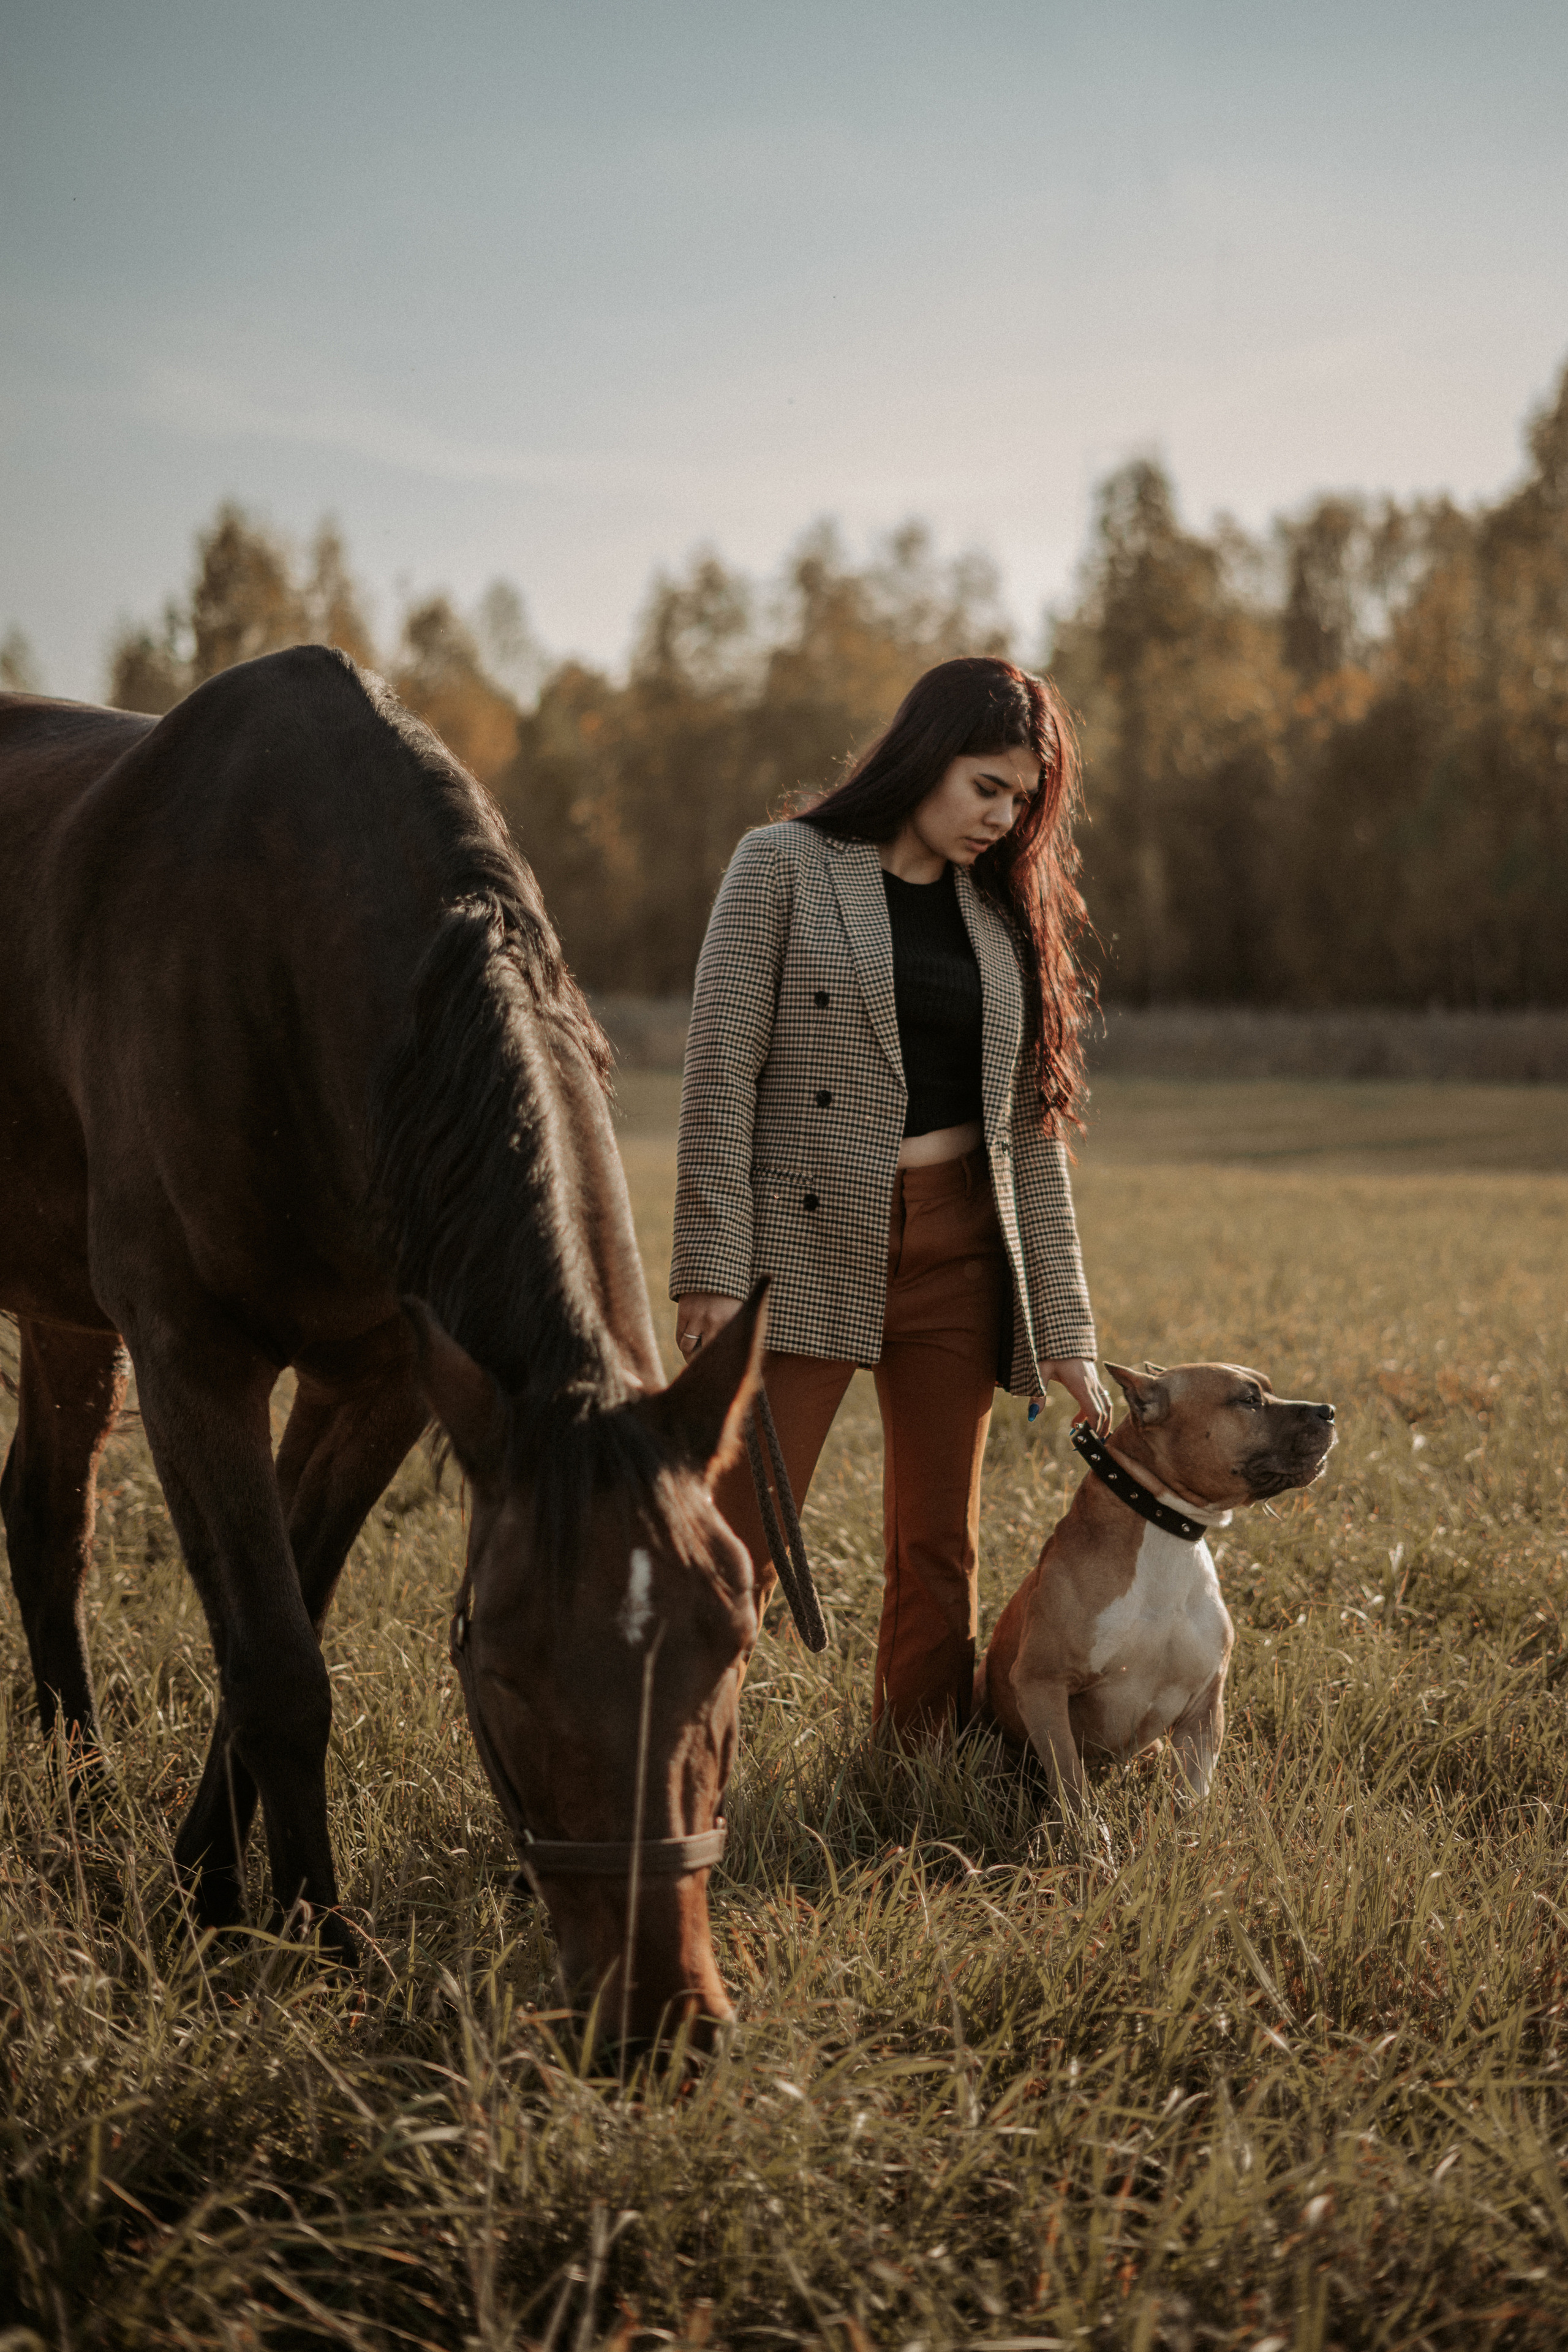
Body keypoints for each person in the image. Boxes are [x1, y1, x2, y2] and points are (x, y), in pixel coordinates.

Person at [670, 655, 1110, 1736]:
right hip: (802, 1247)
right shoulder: (781, 866)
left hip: (961, 1250)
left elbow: (1029, 1140)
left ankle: (918, 1772)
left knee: (937, 1544)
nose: (1003, 821)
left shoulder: (1002, 919)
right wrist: (712, 1272)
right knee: (743, 1530)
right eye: (986, 788)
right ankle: (673, 1763)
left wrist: (1067, 1329)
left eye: (1020, 801)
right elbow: (720, 1073)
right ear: (924, 755)